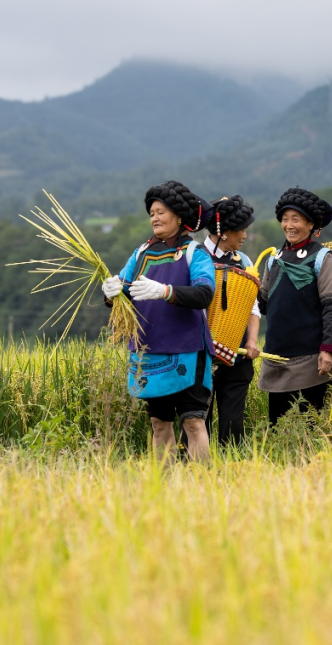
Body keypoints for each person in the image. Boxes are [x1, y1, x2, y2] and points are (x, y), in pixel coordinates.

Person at [101, 181, 216, 462]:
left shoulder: (194, 253)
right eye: (152, 212)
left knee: (193, 422)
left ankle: (202, 484)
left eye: (161, 211)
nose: (154, 217)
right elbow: (124, 289)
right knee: (159, 423)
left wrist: (166, 291)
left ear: (178, 217)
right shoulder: (141, 254)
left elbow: (204, 293)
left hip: (188, 352)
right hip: (148, 352)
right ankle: (164, 485)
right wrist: (112, 293)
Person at [257, 187, 332, 425]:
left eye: (296, 219)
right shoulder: (274, 259)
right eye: (285, 219)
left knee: (310, 427)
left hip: (311, 360)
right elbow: (264, 305)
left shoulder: (323, 258)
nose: (289, 225)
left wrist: (328, 350)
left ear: (310, 224)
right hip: (276, 358)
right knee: (278, 427)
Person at [203, 195, 260, 448]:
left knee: (233, 420)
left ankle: (232, 467)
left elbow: (253, 305)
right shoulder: (195, 257)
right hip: (201, 351)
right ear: (224, 232)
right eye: (241, 229)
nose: (245, 235)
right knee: (197, 417)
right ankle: (194, 469)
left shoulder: (244, 261)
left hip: (237, 353)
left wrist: (251, 340)